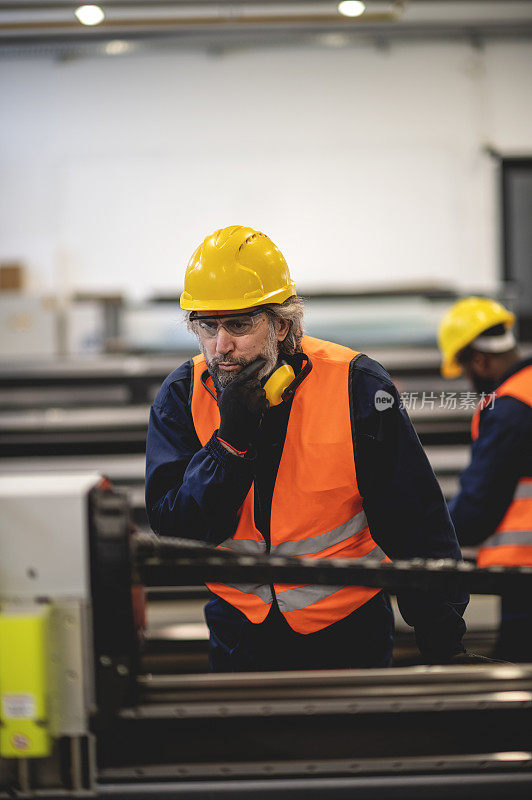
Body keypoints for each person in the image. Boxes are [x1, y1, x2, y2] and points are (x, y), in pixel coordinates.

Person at [146, 225, 467, 672]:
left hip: (348, 631)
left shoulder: (356, 384)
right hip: (240, 630)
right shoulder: (183, 395)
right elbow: (177, 530)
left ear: (282, 324)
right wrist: (229, 446)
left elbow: (414, 520)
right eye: (207, 326)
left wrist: (441, 633)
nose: (221, 346)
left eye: (239, 324)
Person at [439, 297, 532, 661]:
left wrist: (427, 535)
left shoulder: (509, 407)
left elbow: (477, 510)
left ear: (478, 360)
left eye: (465, 369)